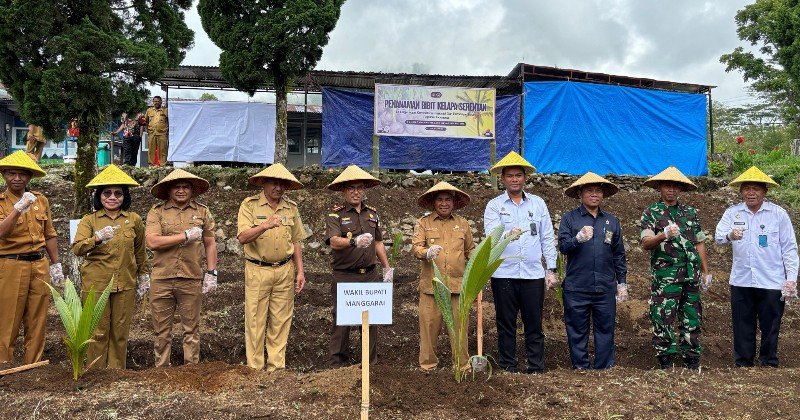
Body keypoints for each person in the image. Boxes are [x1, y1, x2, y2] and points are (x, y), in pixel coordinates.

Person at [714, 166, 798, 367]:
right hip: (742, 278)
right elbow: (718, 237)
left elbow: (789, 248)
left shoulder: (778, 214)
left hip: (771, 279)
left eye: (756, 189)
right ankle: (743, 362)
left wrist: (791, 278)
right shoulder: (733, 213)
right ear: (741, 191)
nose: (751, 193)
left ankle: (768, 361)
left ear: (764, 191)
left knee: (771, 324)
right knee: (742, 322)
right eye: (747, 188)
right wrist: (730, 235)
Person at [484, 151, 557, 374]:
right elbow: (490, 237)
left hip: (533, 274)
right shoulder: (495, 206)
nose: (514, 179)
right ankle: (508, 365)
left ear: (525, 178)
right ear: (503, 179)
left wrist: (551, 268)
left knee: (533, 323)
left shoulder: (538, 204)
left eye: (518, 175)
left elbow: (546, 236)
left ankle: (536, 365)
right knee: (506, 323)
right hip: (504, 273)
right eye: (510, 176)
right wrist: (507, 233)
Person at [72, 165, 149, 369]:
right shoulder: (90, 220)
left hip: (125, 282)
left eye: (118, 193)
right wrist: (97, 238)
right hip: (96, 283)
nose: (112, 197)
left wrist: (144, 276)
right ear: (100, 196)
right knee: (97, 329)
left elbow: (140, 250)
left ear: (125, 196)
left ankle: (116, 372)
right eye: (107, 193)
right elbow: (78, 248)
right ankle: (95, 371)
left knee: (120, 329)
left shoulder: (134, 220)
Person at [237, 163, 308, 372]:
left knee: (281, 320)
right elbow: (242, 237)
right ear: (264, 184)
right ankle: (255, 369)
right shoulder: (249, 206)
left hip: (285, 270)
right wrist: (265, 225)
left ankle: (276, 368)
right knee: (255, 320)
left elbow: (296, 241)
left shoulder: (291, 208)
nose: (278, 188)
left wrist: (300, 271)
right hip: (258, 269)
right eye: (274, 183)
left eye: (282, 184)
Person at [640, 166, 711, 370]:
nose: (671, 190)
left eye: (675, 186)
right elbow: (645, 243)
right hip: (666, 276)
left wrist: (706, 272)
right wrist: (663, 235)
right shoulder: (651, 212)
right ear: (660, 188)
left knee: (692, 316)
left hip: (690, 274)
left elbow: (699, 242)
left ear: (680, 189)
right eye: (667, 186)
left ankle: (691, 358)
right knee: (663, 316)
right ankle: (666, 359)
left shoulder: (689, 212)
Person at [145, 169, 217, 367]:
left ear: (192, 190)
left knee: (191, 329)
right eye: (177, 186)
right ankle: (161, 370)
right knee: (161, 330)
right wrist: (184, 236)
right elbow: (152, 242)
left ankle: (191, 370)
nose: (181, 190)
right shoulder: (157, 212)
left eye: (185, 187)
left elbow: (210, 243)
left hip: (191, 277)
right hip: (162, 277)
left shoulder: (202, 211)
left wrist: (212, 273)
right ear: (168, 190)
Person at [325, 165, 393, 367]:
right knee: (342, 321)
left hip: (369, 275)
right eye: (351, 188)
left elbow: (378, 242)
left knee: (370, 319)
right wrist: (353, 241)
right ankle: (337, 364)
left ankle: (368, 364)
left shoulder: (372, 214)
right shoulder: (335, 215)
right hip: (345, 275)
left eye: (360, 188)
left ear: (365, 191)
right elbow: (333, 241)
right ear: (344, 191)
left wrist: (387, 267)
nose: (356, 192)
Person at [558, 172, 627, 369]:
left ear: (603, 195)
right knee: (577, 329)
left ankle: (603, 368)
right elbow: (563, 247)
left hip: (605, 286)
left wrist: (621, 282)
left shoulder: (612, 221)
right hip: (577, 286)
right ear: (580, 193)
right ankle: (581, 367)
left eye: (598, 191)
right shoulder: (570, 219)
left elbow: (618, 254)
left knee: (605, 329)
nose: (594, 194)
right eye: (590, 190)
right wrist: (577, 239)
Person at [0, 151, 63, 364]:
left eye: (22, 174)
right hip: (11, 263)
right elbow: (1, 232)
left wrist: (56, 265)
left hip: (39, 263)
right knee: (8, 317)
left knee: (38, 317)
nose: (16, 178)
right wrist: (18, 209)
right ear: (4, 176)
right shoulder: (1, 201)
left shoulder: (41, 200)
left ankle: (33, 365)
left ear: (29, 177)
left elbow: (50, 233)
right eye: (11, 173)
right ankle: (4, 364)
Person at [412, 181, 475, 371]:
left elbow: (470, 251)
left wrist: (479, 272)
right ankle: (428, 366)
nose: (444, 203)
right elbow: (416, 248)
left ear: (454, 202)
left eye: (448, 199)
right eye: (440, 199)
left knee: (459, 329)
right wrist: (427, 253)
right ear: (433, 202)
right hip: (432, 287)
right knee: (429, 328)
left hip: (457, 286)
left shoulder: (462, 224)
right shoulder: (423, 223)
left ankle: (462, 366)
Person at [145, 96, 169, 166]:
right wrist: (148, 130)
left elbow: (170, 121)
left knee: (163, 150)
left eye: (158, 101)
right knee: (151, 150)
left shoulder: (165, 110)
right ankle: (151, 166)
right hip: (152, 133)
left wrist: (167, 131)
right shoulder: (149, 110)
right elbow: (146, 121)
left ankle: (162, 166)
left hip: (162, 134)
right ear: (153, 102)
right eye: (155, 101)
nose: (157, 102)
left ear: (161, 102)